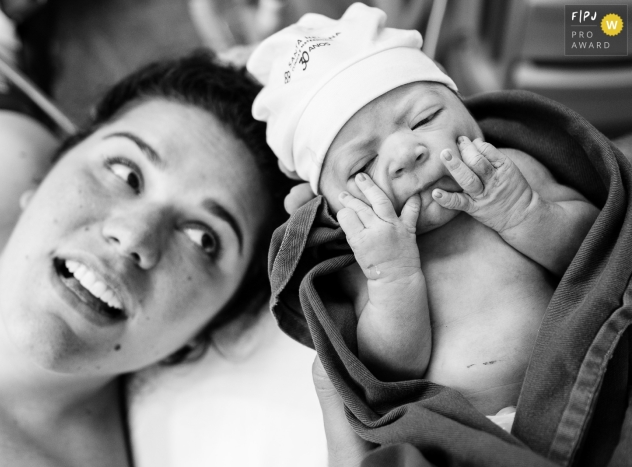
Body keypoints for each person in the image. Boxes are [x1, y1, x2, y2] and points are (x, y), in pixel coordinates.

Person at [0, 3, 294, 465]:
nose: (134, 236)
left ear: (200, 333)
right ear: (41, 179)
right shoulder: (1, 151)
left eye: (204, 239)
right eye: (126, 173)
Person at [248, 2, 599, 431]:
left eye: (424, 118)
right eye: (362, 167)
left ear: (461, 102)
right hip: (480, 432)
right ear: (333, 204)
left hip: (590, 377)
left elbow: (594, 248)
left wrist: (524, 213)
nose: (404, 154)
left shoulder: (510, 171)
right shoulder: (365, 256)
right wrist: (393, 278)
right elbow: (391, 370)